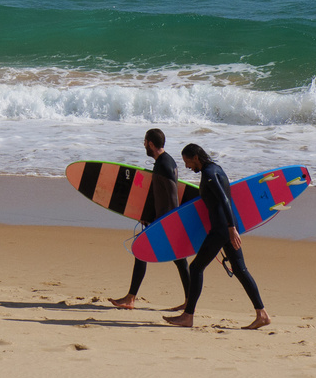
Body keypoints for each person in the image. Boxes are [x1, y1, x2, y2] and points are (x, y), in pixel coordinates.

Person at [163, 143, 270, 330]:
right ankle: (262, 314)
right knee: (240, 269)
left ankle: (188, 316)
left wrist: (230, 229)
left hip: (222, 229)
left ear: (196, 158)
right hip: (227, 227)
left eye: (188, 162)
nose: (187, 166)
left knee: (196, 268)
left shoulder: (210, 174)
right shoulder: (216, 169)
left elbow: (224, 200)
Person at [108, 128, 190, 310]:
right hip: (169, 219)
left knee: (141, 251)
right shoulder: (167, 161)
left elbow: (170, 195)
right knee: (180, 260)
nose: (144, 145)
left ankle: (130, 299)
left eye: (145, 142)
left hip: (166, 221)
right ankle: (188, 302)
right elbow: (162, 194)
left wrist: (162, 220)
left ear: (151, 144)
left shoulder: (163, 165)